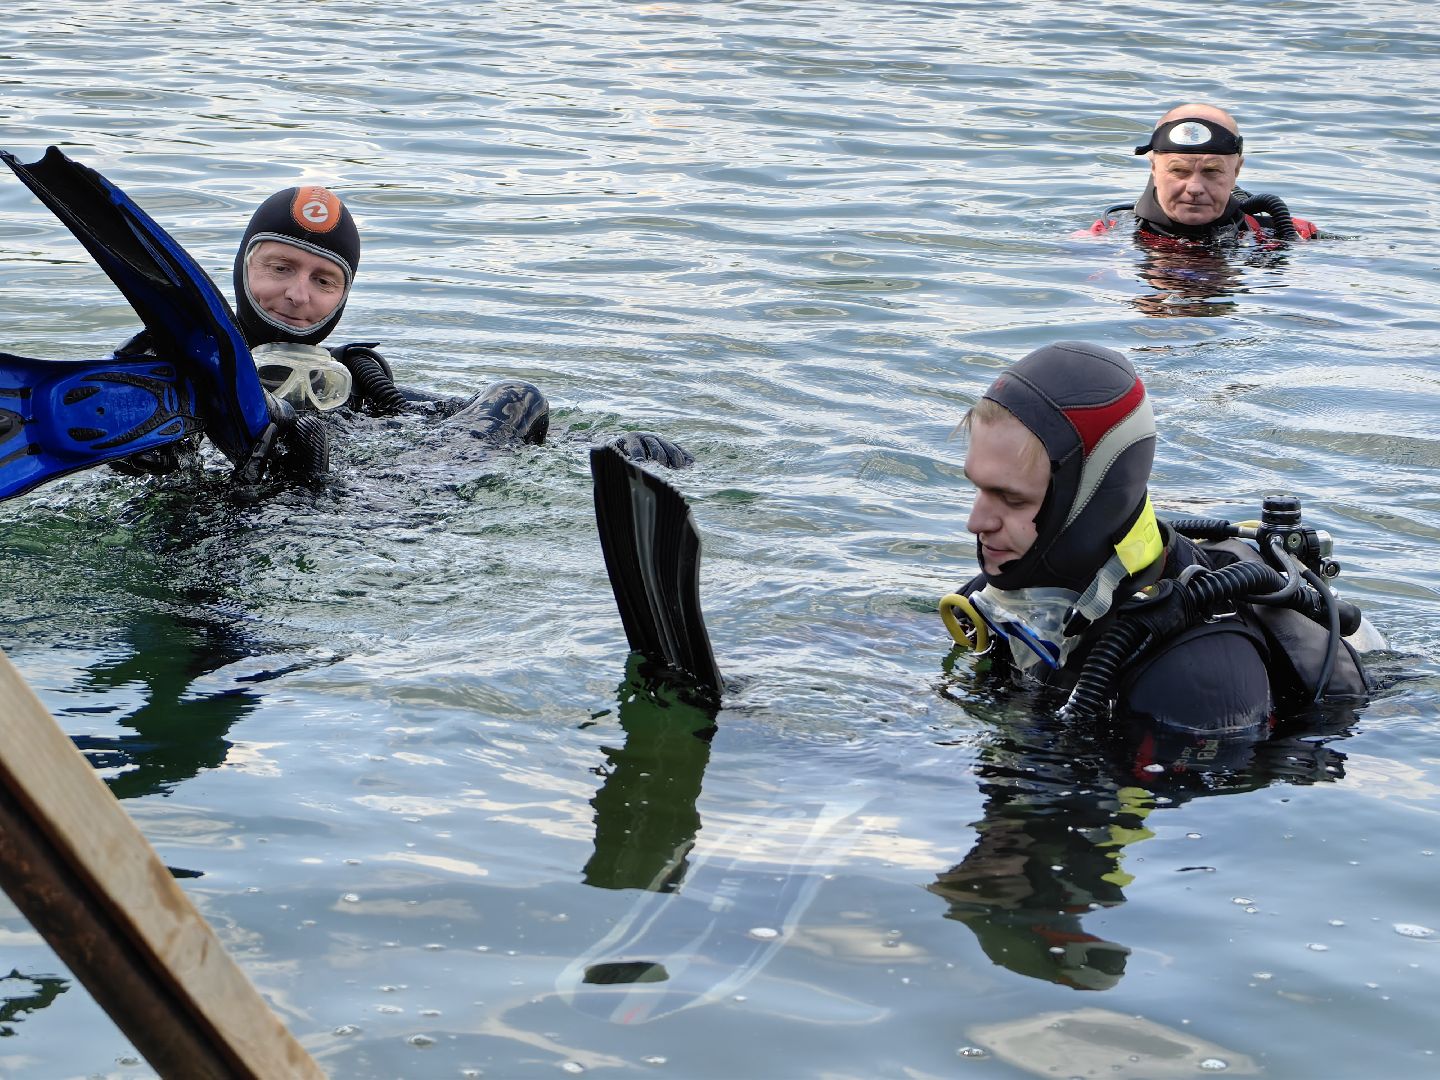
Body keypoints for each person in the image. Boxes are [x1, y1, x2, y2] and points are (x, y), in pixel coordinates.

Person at [945, 340, 1370, 744]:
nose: (975, 521)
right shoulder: (1013, 585)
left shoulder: (1197, 683)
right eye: (978, 489)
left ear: (1091, 503)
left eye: (1012, 499)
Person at [121, 183, 691, 478]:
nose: (298, 295)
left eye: (325, 279)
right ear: (243, 268)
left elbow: (462, 426)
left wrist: (606, 453)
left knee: (518, 399)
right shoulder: (169, 367)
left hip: (364, 524)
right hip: (219, 532)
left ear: (345, 296)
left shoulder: (358, 383)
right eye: (280, 268)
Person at [1086, 103, 1319, 247]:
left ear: (1236, 171)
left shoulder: (1292, 234)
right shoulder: (1105, 237)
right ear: (1154, 169)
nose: (1195, 187)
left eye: (1211, 171)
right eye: (1179, 170)